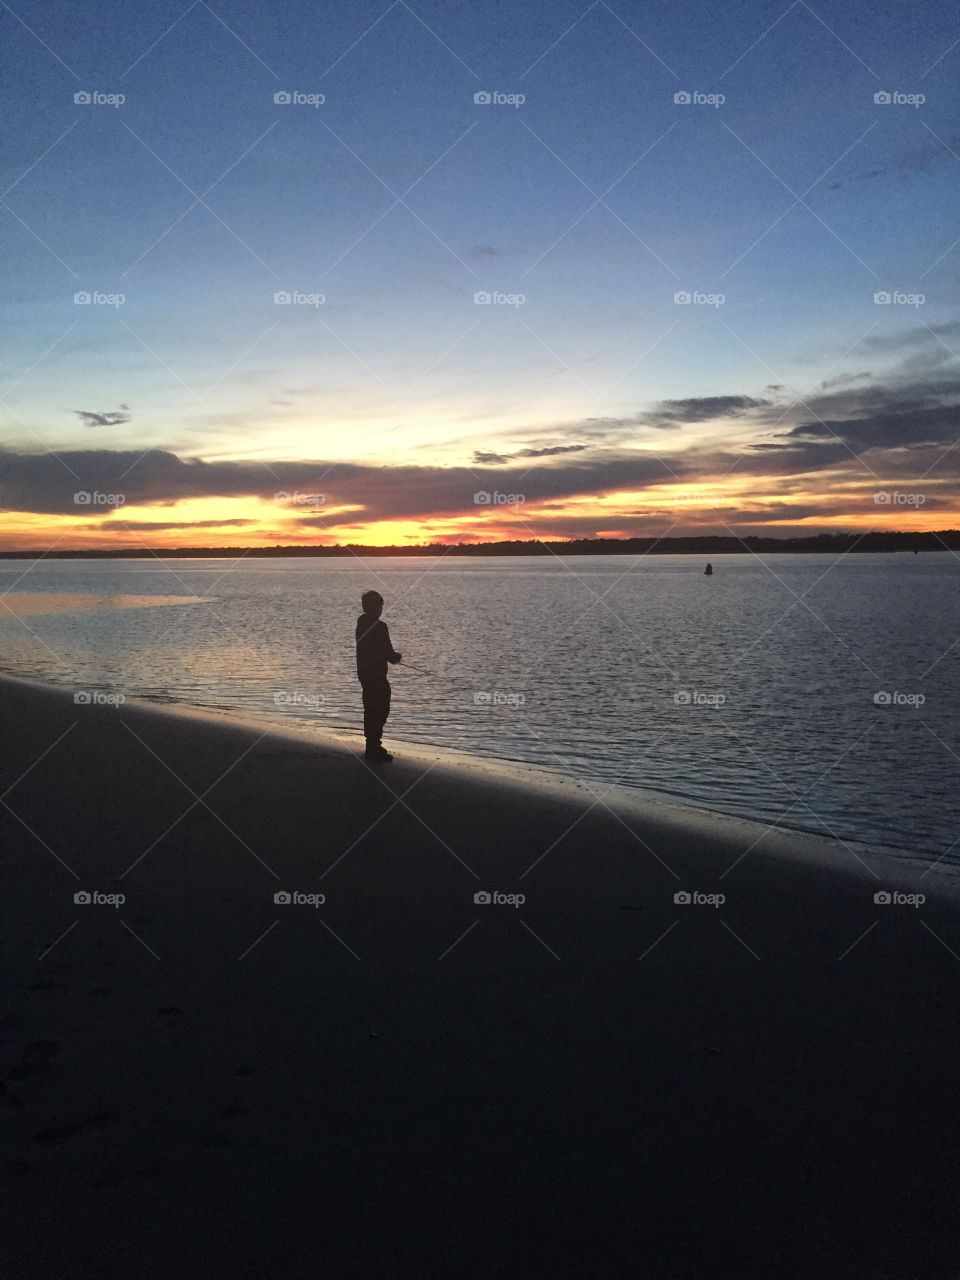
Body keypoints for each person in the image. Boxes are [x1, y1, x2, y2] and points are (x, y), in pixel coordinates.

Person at [355, 590, 401, 762]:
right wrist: (396, 658)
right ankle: (374, 746)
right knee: (381, 707)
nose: (381, 609)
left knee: (370, 707)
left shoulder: (361, 624)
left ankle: (371, 745)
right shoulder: (380, 626)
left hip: (364, 673)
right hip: (375, 674)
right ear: (376, 607)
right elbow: (388, 653)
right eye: (380, 605)